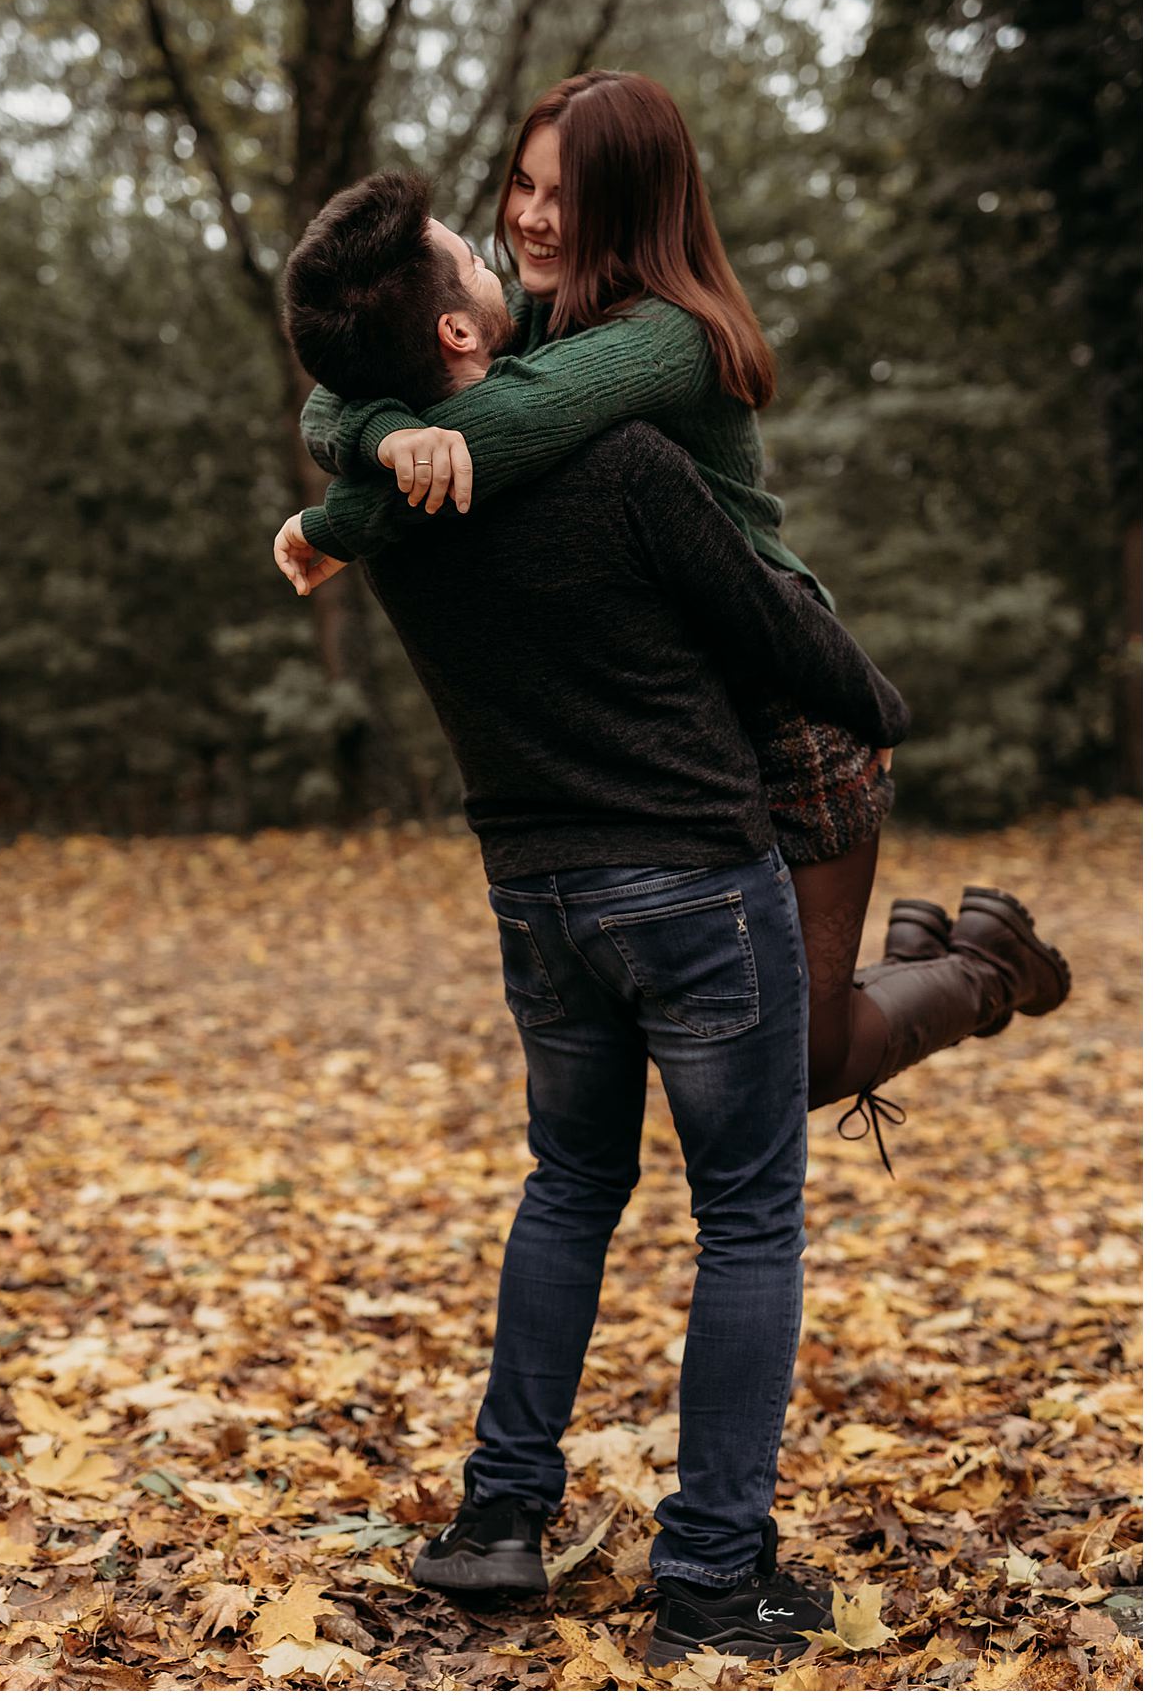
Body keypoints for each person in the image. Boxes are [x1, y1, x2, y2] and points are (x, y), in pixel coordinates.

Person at [274, 171, 1067, 1668]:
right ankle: (711, 1569)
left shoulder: (379, 515)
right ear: (457, 329)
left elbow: (343, 441)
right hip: (697, 883)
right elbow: (786, 636)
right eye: (470, 246)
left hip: (536, 897)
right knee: (749, 1213)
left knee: (569, 1187)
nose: (499, 244)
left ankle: (501, 1518)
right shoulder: (626, 465)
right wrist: (887, 711)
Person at [281, 71, 1071, 1172]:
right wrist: (383, 433)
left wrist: (342, 514)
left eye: (568, 194)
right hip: (689, 732)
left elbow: (495, 433)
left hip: (795, 698)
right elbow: (334, 383)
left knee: (801, 1060)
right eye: (520, 185)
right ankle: (949, 945)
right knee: (770, 1032)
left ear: (638, 206)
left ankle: (992, 969)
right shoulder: (529, 318)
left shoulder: (666, 339)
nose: (531, 217)